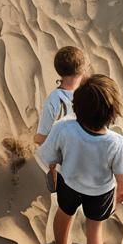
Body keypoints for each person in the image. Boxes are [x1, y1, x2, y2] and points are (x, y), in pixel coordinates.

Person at [36, 74, 123, 244]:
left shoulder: (63, 128)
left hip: (69, 183)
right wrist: (121, 191)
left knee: (64, 214)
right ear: (112, 113)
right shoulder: (117, 143)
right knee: (95, 231)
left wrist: (52, 171)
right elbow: (121, 178)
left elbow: (49, 157)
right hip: (100, 193)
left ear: (76, 107)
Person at [35, 45, 87, 192]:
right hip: (92, 153)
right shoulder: (92, 92)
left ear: (59, 71)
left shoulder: (54, 100)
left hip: (67, 159)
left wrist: (35, 139)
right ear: (82, 70)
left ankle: (54, 173)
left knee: (39, 144)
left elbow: (42, 138)